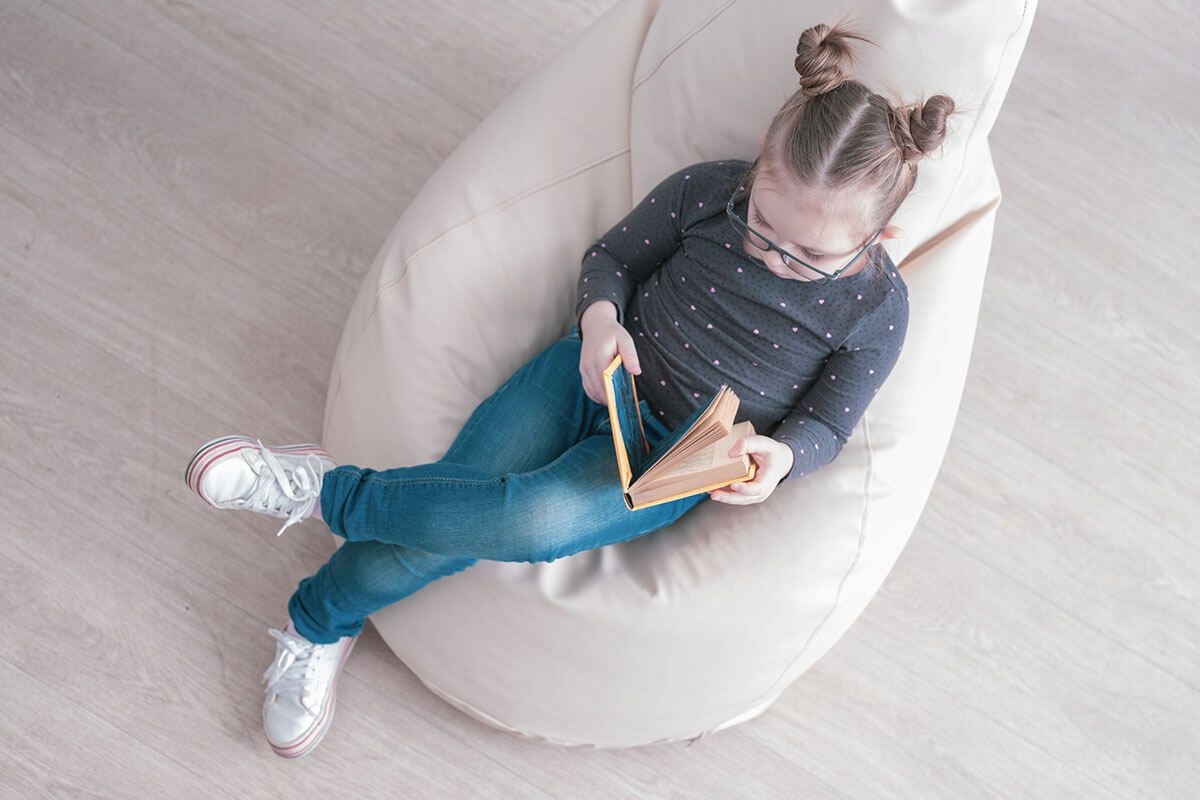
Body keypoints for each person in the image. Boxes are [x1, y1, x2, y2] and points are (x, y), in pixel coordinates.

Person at [183, 19, 958, 759]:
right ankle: (318, 619)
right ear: (760, 159)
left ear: (877, 237)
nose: (774, 257)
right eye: (763, 225)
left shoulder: (877, 311)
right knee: (462, 502)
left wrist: (777, 461)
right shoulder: (707, 193)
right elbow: (614, 259)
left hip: (669, 459)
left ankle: (323, 495)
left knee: (531, 522)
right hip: (590, 376)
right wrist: (597, 323)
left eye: (808, 254)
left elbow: (828, 421)